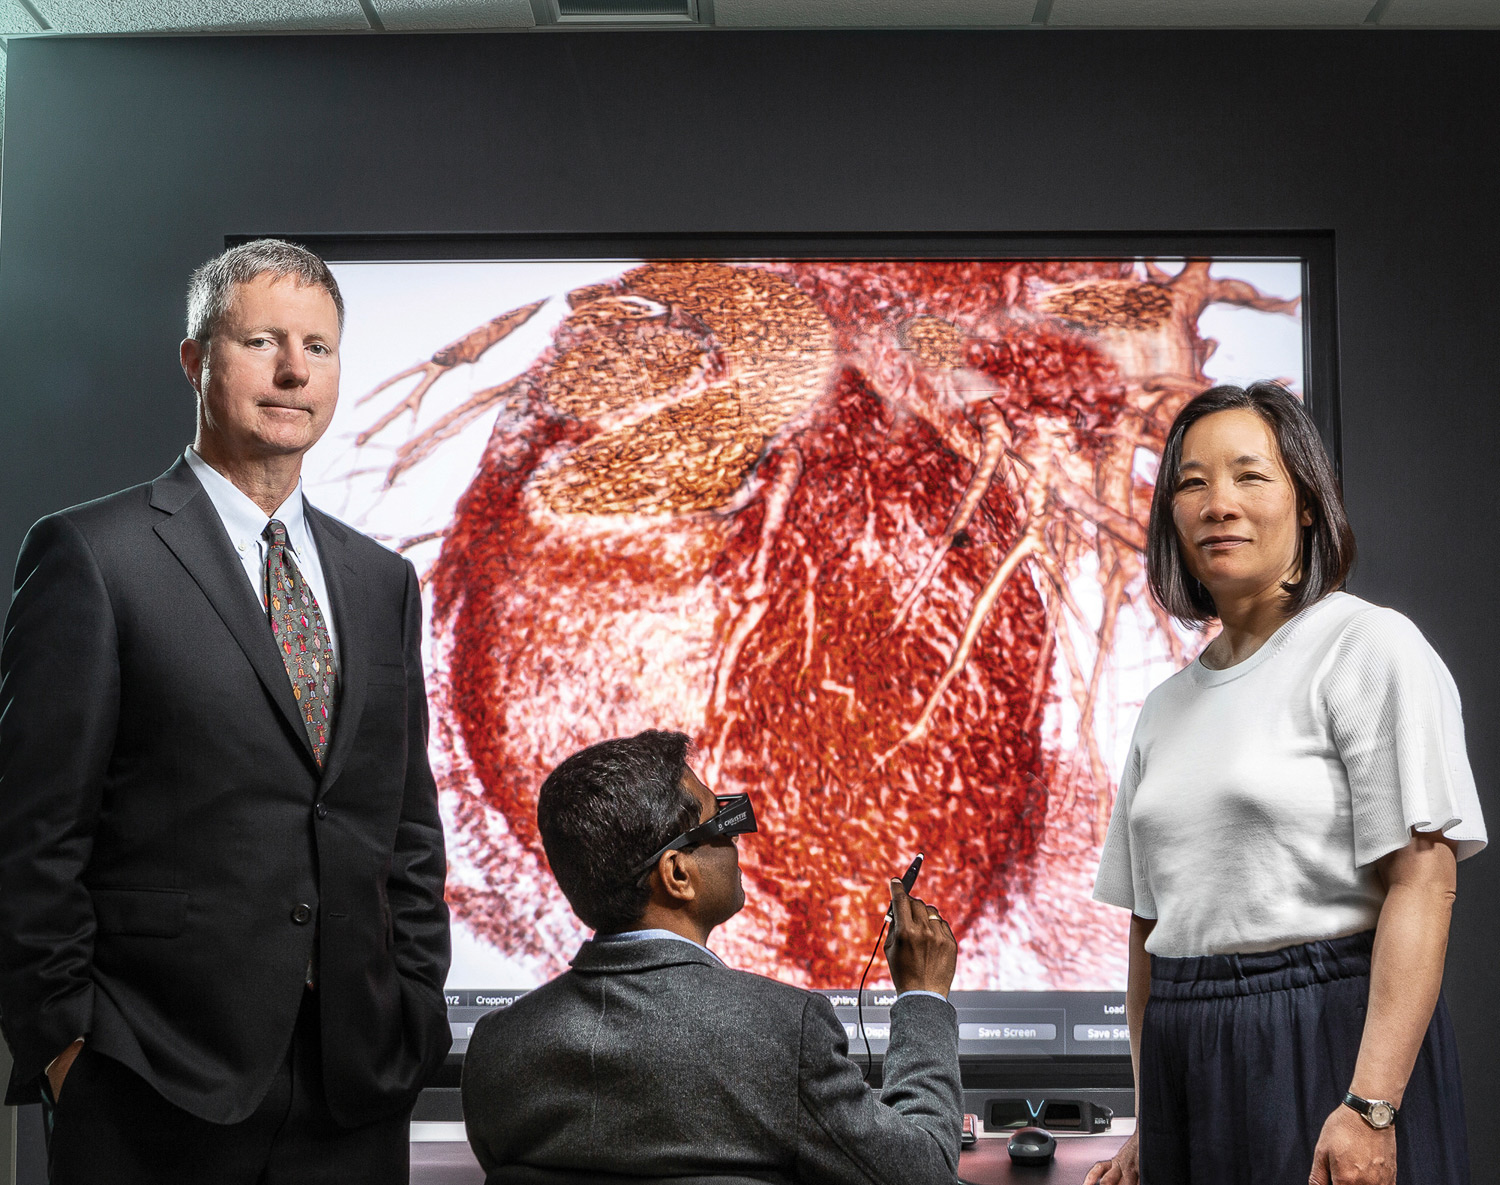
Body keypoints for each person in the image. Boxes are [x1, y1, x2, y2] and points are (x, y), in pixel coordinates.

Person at [0, 239, 452, 1184]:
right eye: (263, 340)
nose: (294, 371)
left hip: (353, 1084)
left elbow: (406, 827)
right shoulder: (93, 556)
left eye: (318, 348)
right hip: (151, 1081)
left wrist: (414, 1005)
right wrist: (61, 1046)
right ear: (195, 359)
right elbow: (32, 834)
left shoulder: (381, 581)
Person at [1084, 382, 1485, 1185]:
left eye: (1249, 476)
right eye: (1192, 482)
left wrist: (1372, 1105)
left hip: (1324, 1038)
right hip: (1183, 1048)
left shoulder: (1368, 647)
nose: (1217, 503)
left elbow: (1423, 882)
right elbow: (1148, 935)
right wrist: (1147, 1121)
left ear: (1306, 503)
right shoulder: (1163, 709)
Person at [461, 729, 963, 1185]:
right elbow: (925, 1172)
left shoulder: (496, 1051)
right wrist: (922, 996)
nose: (737, 834)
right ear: (678, 874)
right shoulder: (786, 1033)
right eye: (721, 820)